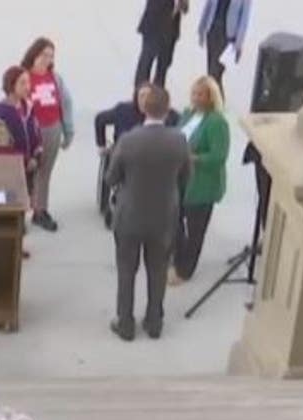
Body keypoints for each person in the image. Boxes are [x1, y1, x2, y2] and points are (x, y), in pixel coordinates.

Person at [105, 85, 191, 343]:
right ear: (167, 110)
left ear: (145, 109)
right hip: (163, 216)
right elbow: (186, 176)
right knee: (158, 269)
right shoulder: (179, 140)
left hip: (130, 215)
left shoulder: (128, 140)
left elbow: (111, 178)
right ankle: (154, 322)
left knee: (126, 270)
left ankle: (125, 323)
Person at [96, 86, 182, 227]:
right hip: (124, 156)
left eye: (148, 96)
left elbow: (182, 125)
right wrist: (101, 144)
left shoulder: (165, 114)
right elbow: (100, 119)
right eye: (141, 96)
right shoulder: (123, 110)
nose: (144, 100)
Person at [173, 76, 228, 285]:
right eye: (194, 94)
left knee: (195, 231)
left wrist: (194, 158)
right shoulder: (188, 114)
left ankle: (185, 270)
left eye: (200, 95)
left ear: (211, 97)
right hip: (180, 178)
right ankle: (177, 258)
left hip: (202, 184)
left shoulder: (217, 122)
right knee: (174, 221)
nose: (195, 98)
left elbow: (218, 156)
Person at [22, 39, 75, 233]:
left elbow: (66, 103)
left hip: (52, 129)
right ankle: (19, 212)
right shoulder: (24, 76)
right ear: (34, 54)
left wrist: (68, 131)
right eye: (43, 55)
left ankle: (40, 210)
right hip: (29, 132)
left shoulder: (55, 78)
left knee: (44, 172)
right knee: (24, 173)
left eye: (51, 56)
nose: (47, 59)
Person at [0, 65, 42, 191]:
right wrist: (25, 160)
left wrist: (37, 156)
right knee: (12, 200)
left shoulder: (29, 107)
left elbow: (36, 134)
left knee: (28, 199)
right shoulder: (1, 112)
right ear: (11, 85)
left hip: (29, 173)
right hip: (7, 174)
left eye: (28, 82)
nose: (27, 87)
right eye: (22, 83)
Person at [194, 0, 252, 84]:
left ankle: (213, 91)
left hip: (227, 37)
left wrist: (238, 44)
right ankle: (213, 92)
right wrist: (201, 28)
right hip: (212, 31)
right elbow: (208, 6)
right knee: (211, 72)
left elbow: (244, 20)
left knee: (214, 74)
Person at [135, 0, 188, 88]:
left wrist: (182, 4)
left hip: (171, 28)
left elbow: (184, 8)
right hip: (154, 25)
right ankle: (139, 92)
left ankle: (158, 94)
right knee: (146, 63)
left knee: (163, 67)